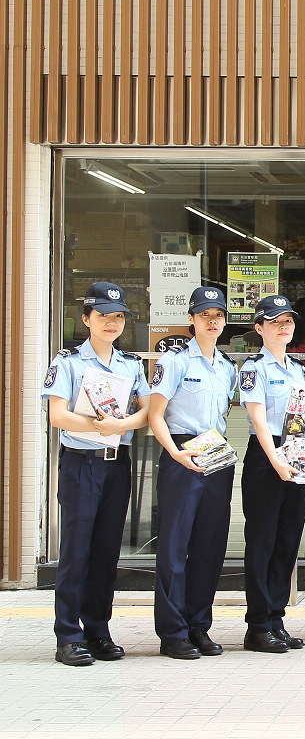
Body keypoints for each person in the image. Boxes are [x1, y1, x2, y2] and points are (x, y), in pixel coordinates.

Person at [43, 282, 150, 666]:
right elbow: (57, 415)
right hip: (81, 463)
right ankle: (68, 637)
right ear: (86, 318)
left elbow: (146, 412)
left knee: (106, 552)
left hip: (116, 463)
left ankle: (98, 631)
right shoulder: (68, 362)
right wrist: (99, 427)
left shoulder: (130, 364)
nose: (111, 322)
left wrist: (121, 426)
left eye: (118, 316)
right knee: (76, 551)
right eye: (103, 315)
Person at [147, 286, 239, 660]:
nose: (212, 321)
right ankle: (173, 632)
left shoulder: (227, 367)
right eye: (204, 315)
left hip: (214, 451)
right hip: (182, 450)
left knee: (209, 545)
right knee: (174, 546)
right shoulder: (175, 362)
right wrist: (175, 453)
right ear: (191, 319)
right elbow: (155, 415)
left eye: (218, 315)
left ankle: (198, 625)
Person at [238, 296, 305, 653]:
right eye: (275, 322)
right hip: (267, 456)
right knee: (262, 541)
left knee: (287, 540)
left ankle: (276, 619)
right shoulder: (254, 368)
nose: (283, 327)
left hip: (298, 454)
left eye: (288, 321)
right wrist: (277, 460)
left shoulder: (299, 369)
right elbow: (259, 420)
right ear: (259, 328)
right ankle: (257, 624)